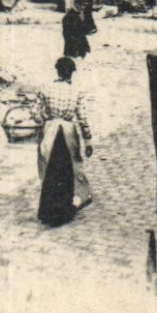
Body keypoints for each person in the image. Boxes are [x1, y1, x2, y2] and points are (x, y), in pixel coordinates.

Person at [33, 56, 94, 226]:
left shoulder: (45, 88)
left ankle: (47, 210)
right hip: (68, 133)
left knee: (50, 169)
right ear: (71, 74)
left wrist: (45, 119)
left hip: (50, 131)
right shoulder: (76, 92)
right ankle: (64, 210)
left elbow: (34, 111)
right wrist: (88, 140)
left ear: (57, 71)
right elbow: (82, 118)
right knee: (67, 170)